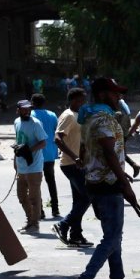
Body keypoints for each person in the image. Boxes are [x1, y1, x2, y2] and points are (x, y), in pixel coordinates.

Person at [65, 77, 140, 279]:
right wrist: (125, 185)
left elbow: (94, 152)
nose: (119, 97)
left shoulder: (91, 118)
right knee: (111, 238)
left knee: (113, 236)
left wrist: (121, 174)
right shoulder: (102, 120)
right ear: (101, 95)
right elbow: (109, 154)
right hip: (107, 186)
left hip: (99, 183)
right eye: (114, 93)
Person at [53, 87, 93, 248]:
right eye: (81, 100)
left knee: (79, 200)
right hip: (70, 164)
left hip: (79, 163)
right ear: (74, 100)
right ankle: (63, 224)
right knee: (87, 196)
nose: (84, 103)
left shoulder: (78, 116)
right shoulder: (69, 116)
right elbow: (57, 138)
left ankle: (76, 235)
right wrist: (74, 156)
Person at [13, 99, 47, 232]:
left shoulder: (36, 124)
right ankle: (29, 220)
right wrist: (15, 160)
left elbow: (43, 142)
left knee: (34, 197)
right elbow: (17, 141)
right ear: (18, 110)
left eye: (29, 109)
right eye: (24, 109)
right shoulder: (16, 122)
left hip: (34, 166)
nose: (27, 111)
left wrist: (28, 150)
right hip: (21, 166)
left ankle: (34, 224)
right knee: (21, 196)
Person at [30, 94, 61, 218]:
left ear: (32, 103)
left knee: (36, 183)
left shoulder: (30, 115)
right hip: (50, 153)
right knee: (51, 181)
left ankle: (40, 211)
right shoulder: (52, 115)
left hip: (36, 153)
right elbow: (56, 131)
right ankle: (55, 209)